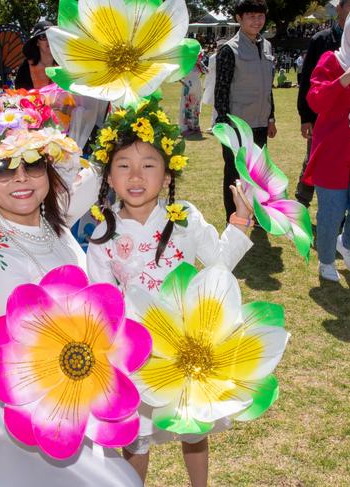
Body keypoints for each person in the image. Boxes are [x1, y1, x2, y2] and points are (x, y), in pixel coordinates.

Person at [0, 90, 141, 487]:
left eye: (32, 164)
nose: (20, 179)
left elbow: (97, 172)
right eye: (2, 170)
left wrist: (120, 100)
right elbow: (44, 341)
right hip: (37, 403)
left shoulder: (53, 221)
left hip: (77, 382)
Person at [86, 99, 254, 487]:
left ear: (167, 174)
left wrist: (240, 220)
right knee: (137, 439)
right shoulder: (102, 233)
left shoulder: (185, 218)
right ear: (109, 177)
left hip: (186, 347)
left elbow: (218, 264)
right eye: (123, 165)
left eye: (149, 164)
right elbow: (100, 300)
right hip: (136, 354)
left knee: (193, 431)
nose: (136, 175)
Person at [302, 3, 350, 282]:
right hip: (333, 149)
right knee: (331, 212)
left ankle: (347, 242)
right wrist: (346, 79)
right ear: (349, 26)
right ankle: (327, 260)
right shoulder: (333, 60)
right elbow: (315, 100)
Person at [295, 0, 350, 208]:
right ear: (339, 8)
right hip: (323, 117)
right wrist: (305, 117)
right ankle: (301, 202)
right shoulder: (322, 39)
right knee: (314, 159)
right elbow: (307, 80)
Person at [215, 0, 276, 222]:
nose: (256, 21)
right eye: (251, 16)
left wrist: (271, 118)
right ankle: (234, 218)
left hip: (260, 122)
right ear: (239, 18)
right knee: (234, 173)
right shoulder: (229, 50)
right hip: (236, 125)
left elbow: (268, 88)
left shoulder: (268, 47)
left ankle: (256, 214)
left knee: (258, 174)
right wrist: (223, 124)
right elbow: (220, 89)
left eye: (260, 16)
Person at [14, 21, 54, 90]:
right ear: (37, 42)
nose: (48, 40)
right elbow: (21, 95)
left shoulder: (66, 63)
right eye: (43, 36)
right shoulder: (25, 68)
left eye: (51, 35)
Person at [179, 52, 207, 136]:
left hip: (197, 86)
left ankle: (194, 126)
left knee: (196, 106)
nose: (197, 57)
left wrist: (199, 63)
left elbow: (207, 71)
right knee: (186, 106)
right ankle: (184, 128)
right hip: (188, 86)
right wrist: (183, 82)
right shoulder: (185, 63)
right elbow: (177, 75)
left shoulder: (199, 64)